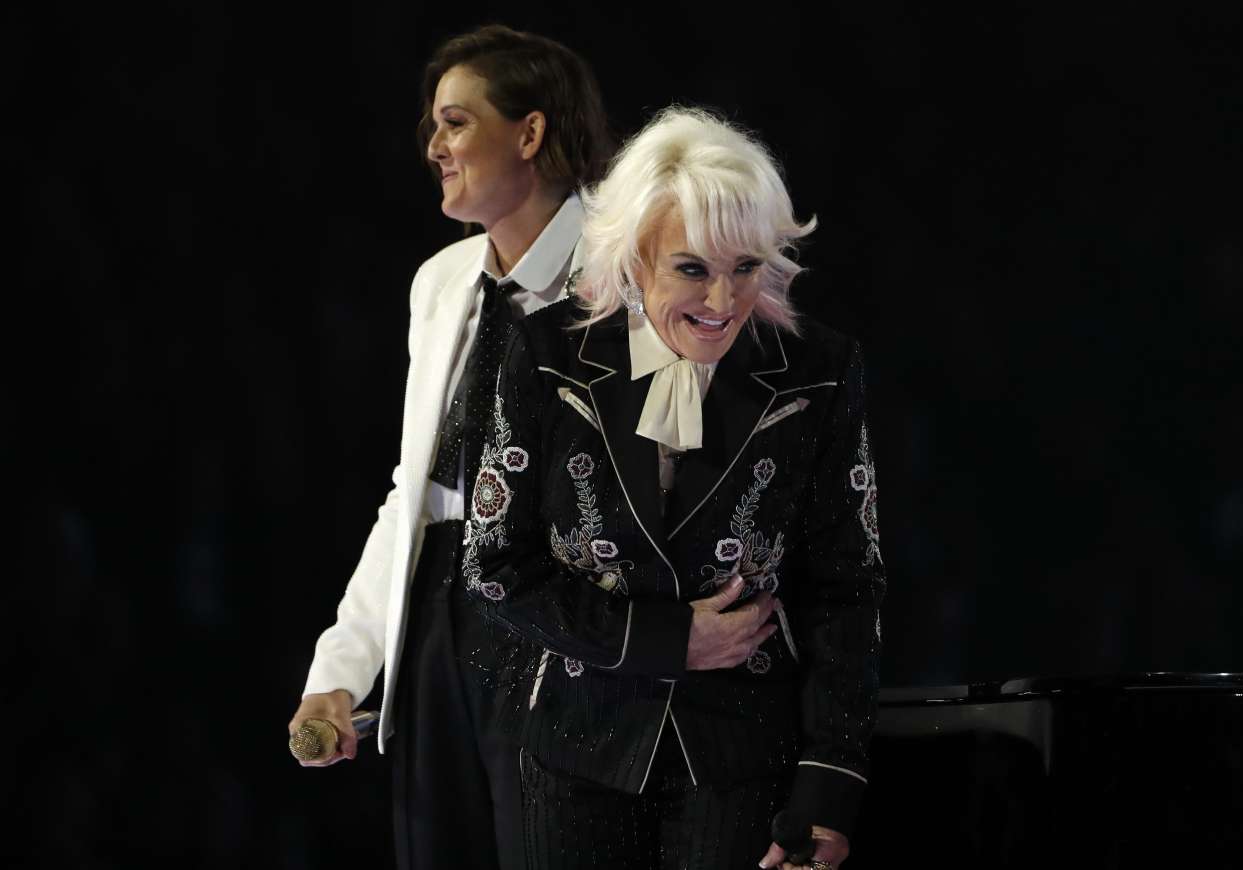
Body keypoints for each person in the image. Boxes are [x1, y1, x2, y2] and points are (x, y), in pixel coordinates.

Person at [462, 106, 886, 870]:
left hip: (742, 755)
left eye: (745, 268)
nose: (724, 303)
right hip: (572, 747)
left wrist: (830, 783)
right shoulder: (546, 352)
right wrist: (665, 641)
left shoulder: (819, 369)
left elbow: (846, 586)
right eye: (692, 269)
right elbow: (492, 565)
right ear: (633, 257)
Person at [286, 25, 611, 870]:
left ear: (530, 133)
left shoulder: (629, 274)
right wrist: (341, 670)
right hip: (438, 620)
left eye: (456, 123)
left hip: (561, 617)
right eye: (433, 125)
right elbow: (415, 496)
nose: (434, 146)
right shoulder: (439, 282)